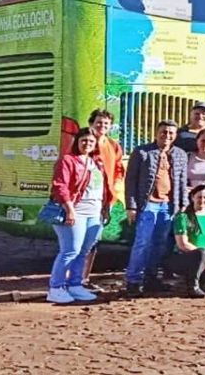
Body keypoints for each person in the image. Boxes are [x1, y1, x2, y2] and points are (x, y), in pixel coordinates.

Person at [124, 119, 188, 297]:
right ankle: (133, 281)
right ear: (156, 133)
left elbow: (182, 181)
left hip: (168, 206)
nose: (167, 135)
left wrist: (182, 204)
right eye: (164, 132)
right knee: (142, 243)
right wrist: (131, 206)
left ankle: (151, 278)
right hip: (147, 205)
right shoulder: (142, 152)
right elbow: (130, 180)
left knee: (159, 244)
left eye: (171, 133)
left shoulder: (180, 154)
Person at [47, 130, 110, 304]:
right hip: (75, 211)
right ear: (77, 141)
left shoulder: (96, 162)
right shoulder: (67, 160)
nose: (87, 144)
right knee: (70, 250)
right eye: (84, 140)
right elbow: (60, 186)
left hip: (94, 212)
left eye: (91, 141)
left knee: (83, 251)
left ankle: (75, 284)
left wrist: (105, 207)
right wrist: (69, 209)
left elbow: (104, 187)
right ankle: (56, 287)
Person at [80, 109, 125, 292]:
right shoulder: (84, 143)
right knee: (76, 241)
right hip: (83, 200)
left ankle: (83, 278)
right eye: (99, 122)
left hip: (105, 200)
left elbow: (119, 169)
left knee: (93, 240)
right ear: (91, 123)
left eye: (106, 124)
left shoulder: (113, 145)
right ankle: (70, 278)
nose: (102, 126)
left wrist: (115, 188)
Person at [165, 185, 205, 298]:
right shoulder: (183, 217)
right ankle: (192, 287)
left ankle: (196, 282)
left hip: (204, 260)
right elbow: (182, 244)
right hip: (183, 257)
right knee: (201, 253)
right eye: (199, 197)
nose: (202, 200)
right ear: (192, 197)